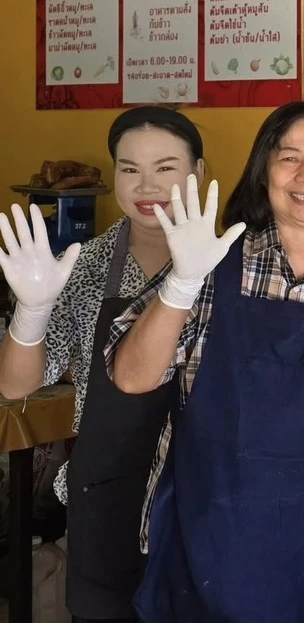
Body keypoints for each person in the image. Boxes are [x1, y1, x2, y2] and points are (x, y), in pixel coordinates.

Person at [106, 100, 304, 623]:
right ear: (263, 171)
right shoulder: (209, 268)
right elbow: (132, 378)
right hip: (208, 537)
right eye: (288, 157)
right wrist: (181, 283)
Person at [0, 106, 204, 623]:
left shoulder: (228, 262)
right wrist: (32, 310)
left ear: (198, 172)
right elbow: (17, 385)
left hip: (205, 495)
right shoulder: (84, 265)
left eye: (165, 167)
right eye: (129, 169)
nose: (146, 185)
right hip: (108, 499)